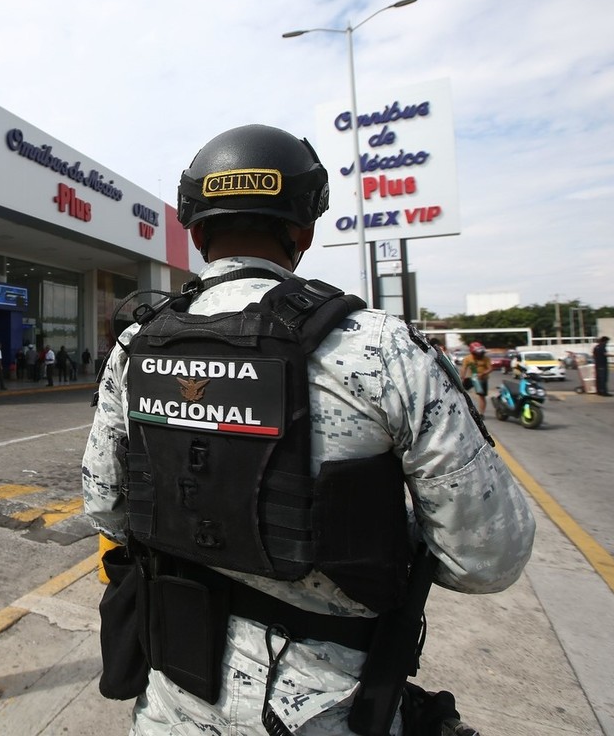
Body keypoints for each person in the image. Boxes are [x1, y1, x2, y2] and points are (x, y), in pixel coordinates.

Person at [81, 125, 535, 735]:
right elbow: (487, 556)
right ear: (304, 232)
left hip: (174, 698)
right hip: (325, 709)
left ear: (197, 232)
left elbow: (107, 509)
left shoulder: (137, 345)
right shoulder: (384, 350)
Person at [460, 341, 494, 417]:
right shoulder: (467, 358)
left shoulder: (485, 358)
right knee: (461, 392)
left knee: (481, 396)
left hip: (482, 379)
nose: (480, 354)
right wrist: (462, 378)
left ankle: (481, 413)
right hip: (472, 378)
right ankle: (463, 409)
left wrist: (483, 373)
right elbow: (464, 368)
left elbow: (490, 368)